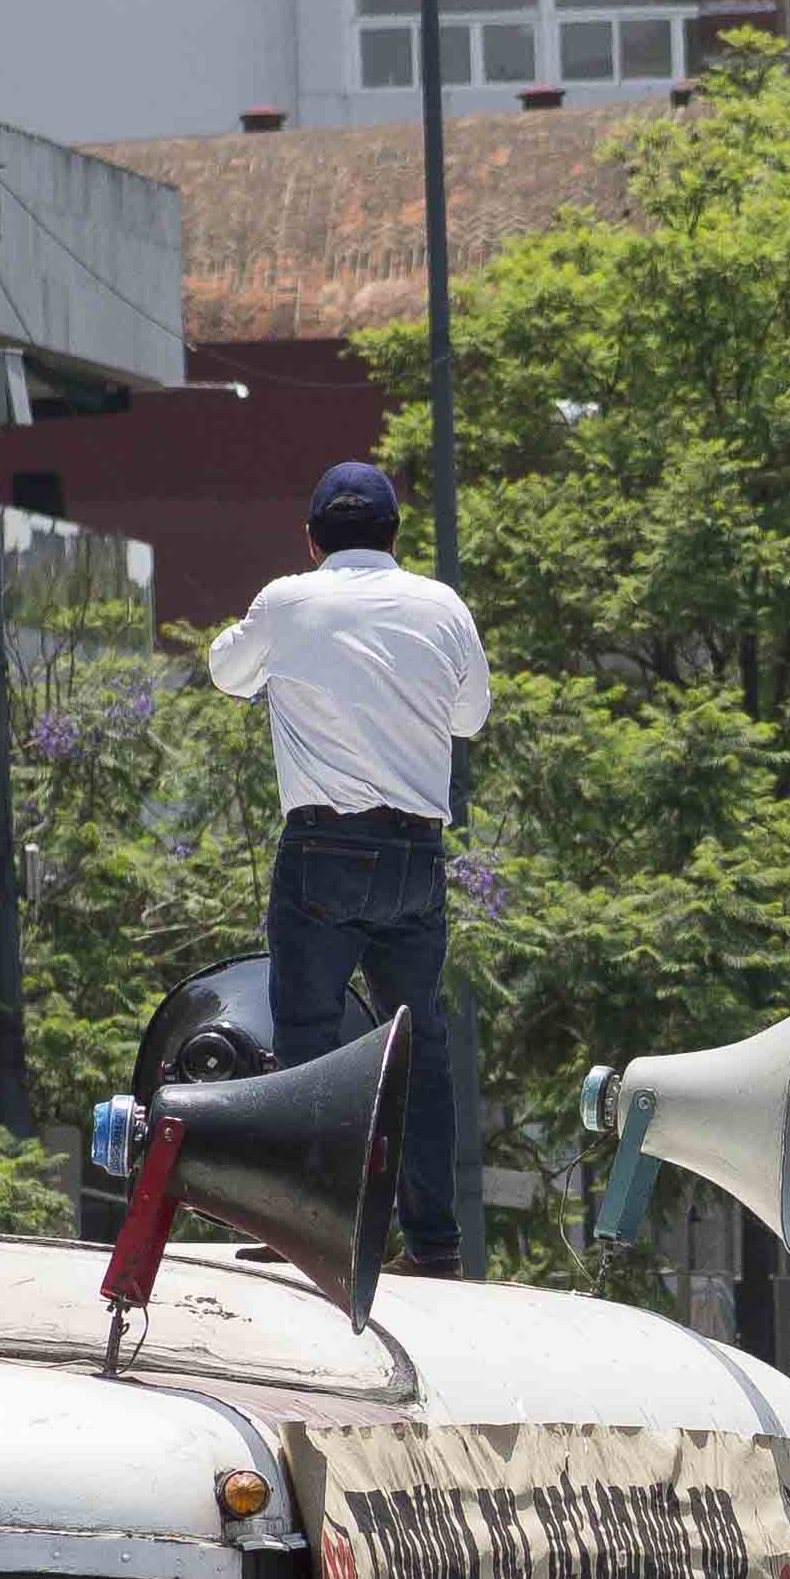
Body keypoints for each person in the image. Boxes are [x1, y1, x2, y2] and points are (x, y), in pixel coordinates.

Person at [203, 459, 485, 1277]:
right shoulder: (442, 605)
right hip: (414, 854)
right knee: (420, 1043)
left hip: (321, 848)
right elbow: (472, 712)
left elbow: (227, 673)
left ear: (312, 539)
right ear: (396, 535)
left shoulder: (289, 600)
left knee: (309, 1040)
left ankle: (308, 1229)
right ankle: (434, 1244)